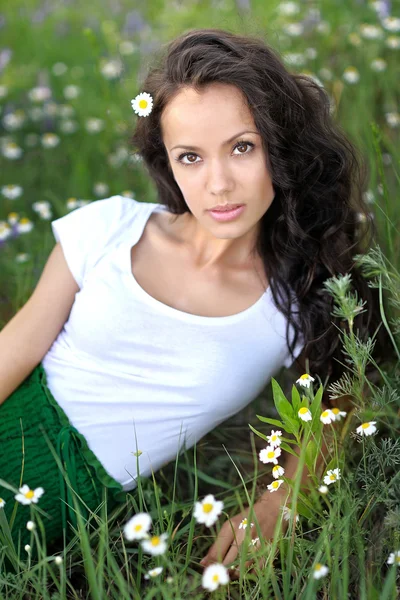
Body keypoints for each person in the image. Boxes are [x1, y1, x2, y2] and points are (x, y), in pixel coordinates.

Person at [0, 28, 393, 570]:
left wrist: (286, 496)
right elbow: (12, 352)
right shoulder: (109, 229)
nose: (219, 184)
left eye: (242, 147)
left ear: (281, 148)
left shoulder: (296, 299)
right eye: (190, 157)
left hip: (69, 502)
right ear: (166, 161)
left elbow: (345, 394)